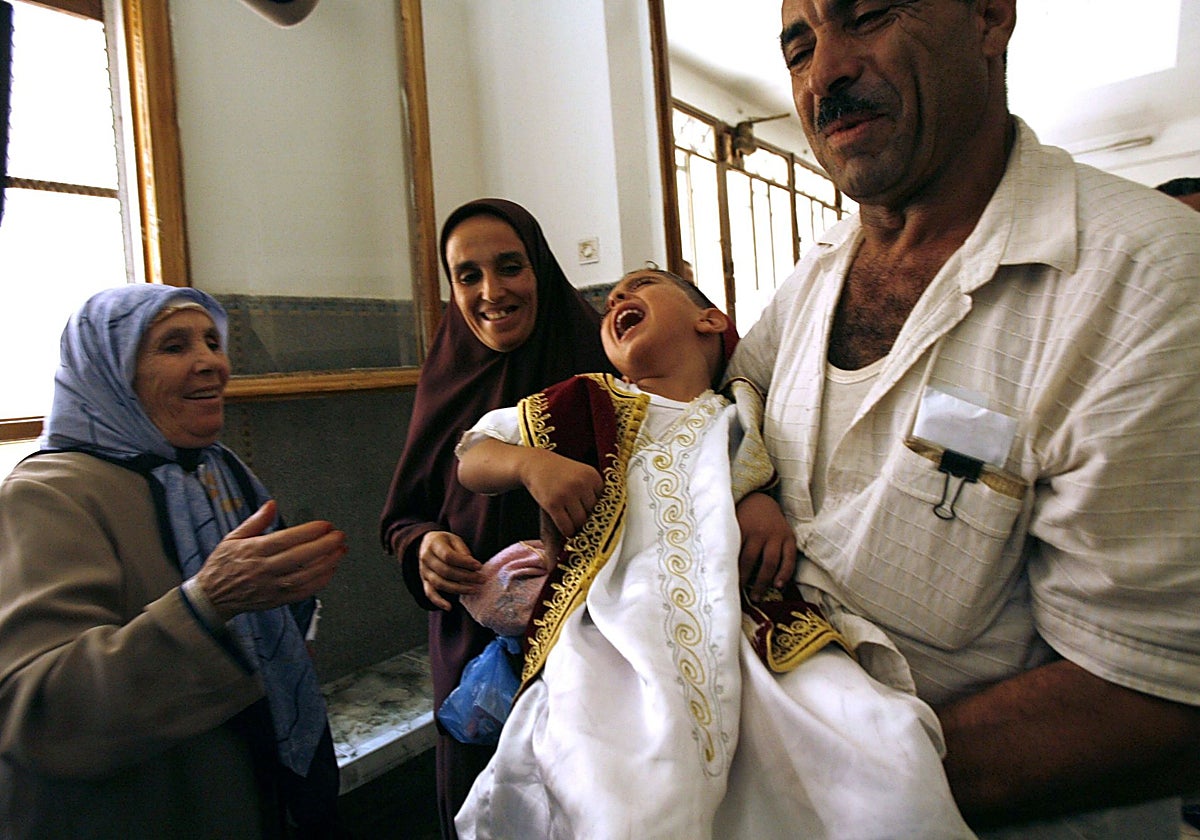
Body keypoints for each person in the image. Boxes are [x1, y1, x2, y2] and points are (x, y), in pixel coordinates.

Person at [724, 1, 1200, 836]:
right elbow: (727, 413)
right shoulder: (808, 283)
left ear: (989, 16)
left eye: (868, 14)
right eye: (799, 48)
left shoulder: (1146, 281)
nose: (826, 73)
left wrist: (798, 796)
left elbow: (1155, 698)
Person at [452, 268, 975, 839]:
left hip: (752, 631)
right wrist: (531, 464)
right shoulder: (584, 402)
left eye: (641, 285)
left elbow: (760, 472)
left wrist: (757, 500)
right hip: (611, 630)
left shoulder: (741, 412)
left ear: (710, 320)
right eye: (611, 298)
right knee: (617, 790)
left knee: (879, 755)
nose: (618, 297)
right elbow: (473, 456)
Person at [0, 284, 347, 838]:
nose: (211, 362)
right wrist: (206, 604)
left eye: (212, 341)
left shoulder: (213, 470)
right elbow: (40, 714)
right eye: (173, 346)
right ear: (110, 372)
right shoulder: (46, 495)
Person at [378, 198, 613, 838]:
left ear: (540, 268)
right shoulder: (447, 378)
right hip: (472, 653)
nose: (491, 292)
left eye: (510, 267)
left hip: (590, 650)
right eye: (468, 276)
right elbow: (404, 514)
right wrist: (423, 547)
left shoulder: (602, 362)